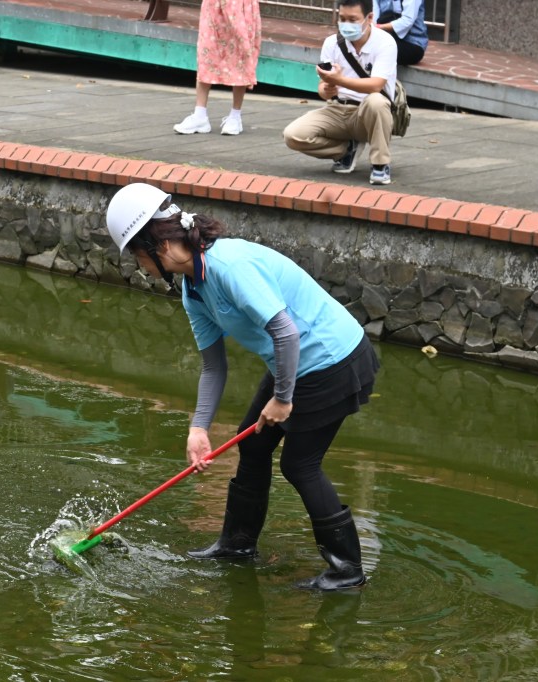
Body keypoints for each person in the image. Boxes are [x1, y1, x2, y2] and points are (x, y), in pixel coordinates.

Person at [105, 182, 380, 591]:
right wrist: (198, 427)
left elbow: (285, 332)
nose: (141, 268)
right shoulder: (192, 289)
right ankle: (236, 545)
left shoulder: (228, 267)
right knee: (251, 444)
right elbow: (213, 366)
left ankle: (347, 571)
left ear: (156, 247)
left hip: (332, 360)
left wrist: (283, 399)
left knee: (299, 465)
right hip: (295, 363)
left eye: (139, 258)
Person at [282, 0, 398, 185]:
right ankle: (345, 150)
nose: (346, 24)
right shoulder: (332, 43)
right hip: (337, 109)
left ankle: (380, 164)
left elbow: (376, 85)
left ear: (369, 18)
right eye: (342, 19)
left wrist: (339, 81)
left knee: (376, 101)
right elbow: (323, 88)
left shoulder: (385, 42)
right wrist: (327, 89)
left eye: (353, 19)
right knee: (293, 135)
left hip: (367, 114)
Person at [173, 0, 261, 137]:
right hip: (213, 5)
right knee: (206, 53)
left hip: (240, 5)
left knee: (240, 55)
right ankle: (200, 114)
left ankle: (235, 116)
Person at [374, 0, 428, 66]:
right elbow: (373, 17)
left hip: (412, 43)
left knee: (379, 49)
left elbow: (407, 20)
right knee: (368, 46)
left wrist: (377, 27)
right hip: (387, 38)